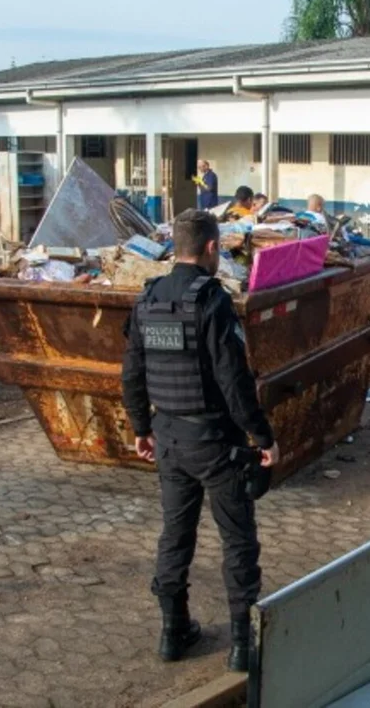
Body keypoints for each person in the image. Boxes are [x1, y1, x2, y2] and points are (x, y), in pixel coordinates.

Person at [121, 209, 280, 670]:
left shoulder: (148, 298)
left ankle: (173, 634)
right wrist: (263, 436)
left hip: (169, 439)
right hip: (216, 443)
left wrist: (141, 428)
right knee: (238, 540)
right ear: (212, 247)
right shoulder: (212, 300)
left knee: (175, 535)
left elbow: (131, 373)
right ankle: (242, 646)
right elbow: (234, 381)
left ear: (176, 245)